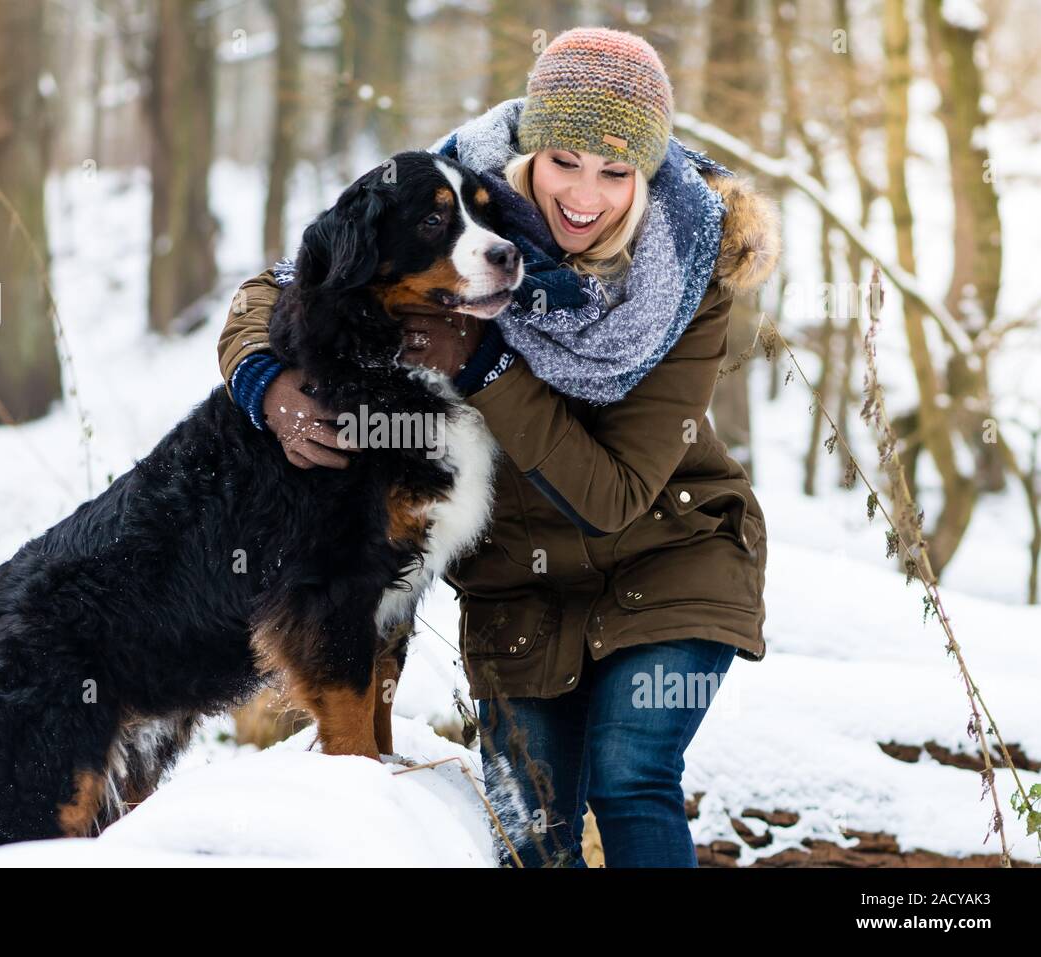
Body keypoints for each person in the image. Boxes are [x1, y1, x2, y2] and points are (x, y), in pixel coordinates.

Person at [216, 27, 780, 867]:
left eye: (616, 171)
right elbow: (292, 276)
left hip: (671, 557)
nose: (584, 195)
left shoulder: (685, 278)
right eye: (565, 161)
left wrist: (485, 362)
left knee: (629, 774)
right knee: (529, 826)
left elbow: (614, 494)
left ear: (647, 176)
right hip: (519, 590)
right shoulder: (459, 209)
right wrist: (266, 382)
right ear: (528, 148)